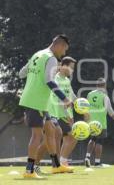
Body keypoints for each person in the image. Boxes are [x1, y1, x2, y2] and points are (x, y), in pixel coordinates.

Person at [19, 34, 74, 178]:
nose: (64, 54)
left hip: (40, 102)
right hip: (36, 101)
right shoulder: (51, 58)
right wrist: (64, 99)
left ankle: (56, 165)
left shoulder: (37, 54)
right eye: (64, 50)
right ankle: (29, 170)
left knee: (52, 130)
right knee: (36, 135)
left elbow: (21, 73)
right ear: (59, 45)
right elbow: (49, 81)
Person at [34, 56, 78, 174]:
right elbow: (58, 99)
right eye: (71, 67)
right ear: (64, 66)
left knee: (60, 137)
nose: (72, 70)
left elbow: (71, 95)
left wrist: (79, 103)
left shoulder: (67, 80)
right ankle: (52, 164)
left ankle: (57, 164)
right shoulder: (55, 79)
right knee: (54, 137)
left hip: (62, 114)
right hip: (55, 112)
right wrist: (66, 114)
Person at [84, 78, 114, 167]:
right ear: (105, 85)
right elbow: (111, 112)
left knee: (92, 139)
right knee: (99, 141)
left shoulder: (89, 94)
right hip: (101, 123)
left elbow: (86, 109)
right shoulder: (104, 96)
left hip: (91, 122)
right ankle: (97, 162)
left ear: (96, 85)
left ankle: (87, 157)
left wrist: (86, 121)